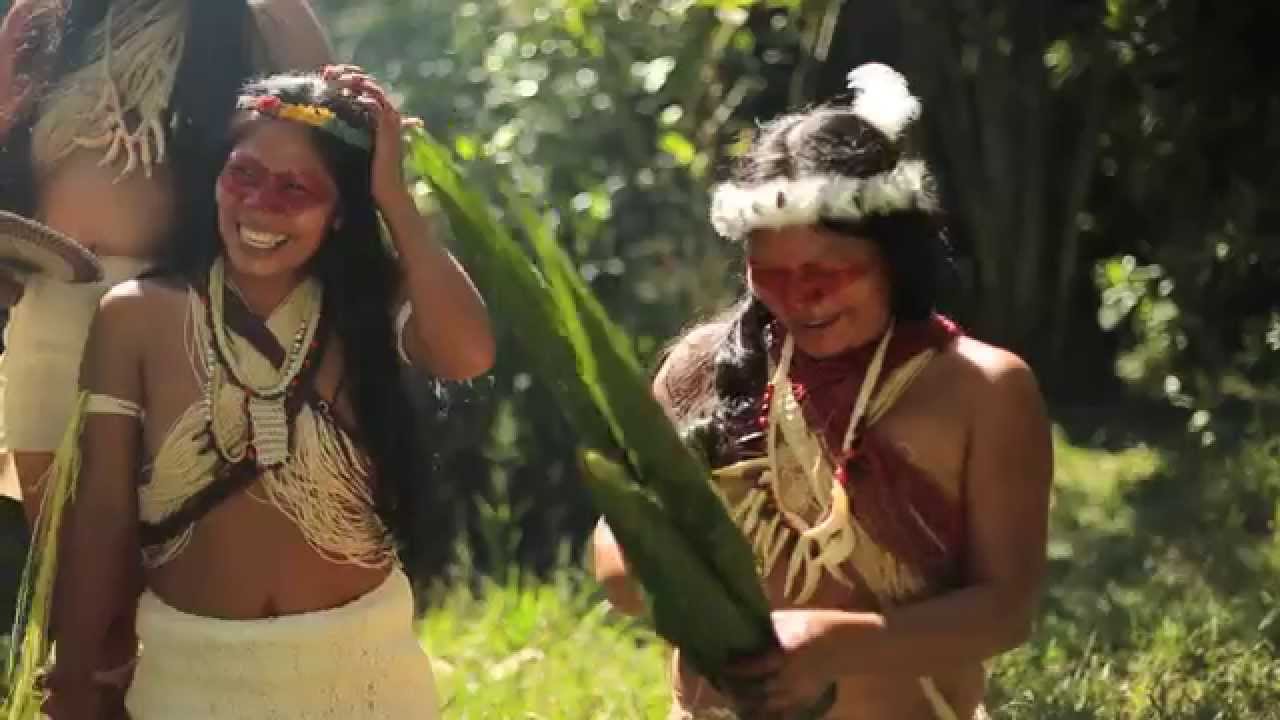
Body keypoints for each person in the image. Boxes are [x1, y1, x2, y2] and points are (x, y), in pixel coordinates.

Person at [593, 63, 1052, 720]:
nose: (800, 298)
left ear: (894, 254)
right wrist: (634, 565)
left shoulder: (983, 389)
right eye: (769, 273)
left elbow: (1006, 610)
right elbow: (618, 521)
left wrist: (842, 644)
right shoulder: (699, 368)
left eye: (828, 271)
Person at [34, 68, 494, 719]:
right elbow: (103, 510)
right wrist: (76, 675)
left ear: (340, 213)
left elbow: (470, 354)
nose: (260, 206)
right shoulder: (135, 317)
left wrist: (395, 196)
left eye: (294, 189)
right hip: (190, 680)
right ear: (215, 178)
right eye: (243, 175)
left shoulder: (367, 310)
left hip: (364, 677)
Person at [0, 1, 332, 711]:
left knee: (167, 591)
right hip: (49, 311)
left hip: (180, 320)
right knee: (72, 597)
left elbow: (326, 158)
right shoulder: (44, 19)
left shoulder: (262, 20)